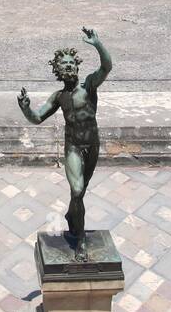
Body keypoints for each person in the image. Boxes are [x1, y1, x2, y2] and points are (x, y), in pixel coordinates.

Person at [17, 27, 112, 250]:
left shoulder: (89, 86)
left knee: (80, 192)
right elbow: (37, 118)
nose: (68, 66)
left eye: (71, 63)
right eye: (64, 64)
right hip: (73, 148)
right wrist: (25, 109)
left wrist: (97, 44)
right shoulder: (59, 97)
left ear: (77, 66)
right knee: (77, 190)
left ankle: (72, 215)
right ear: (58, 71)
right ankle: (79, 241)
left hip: (93, 145)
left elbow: (106, 67)